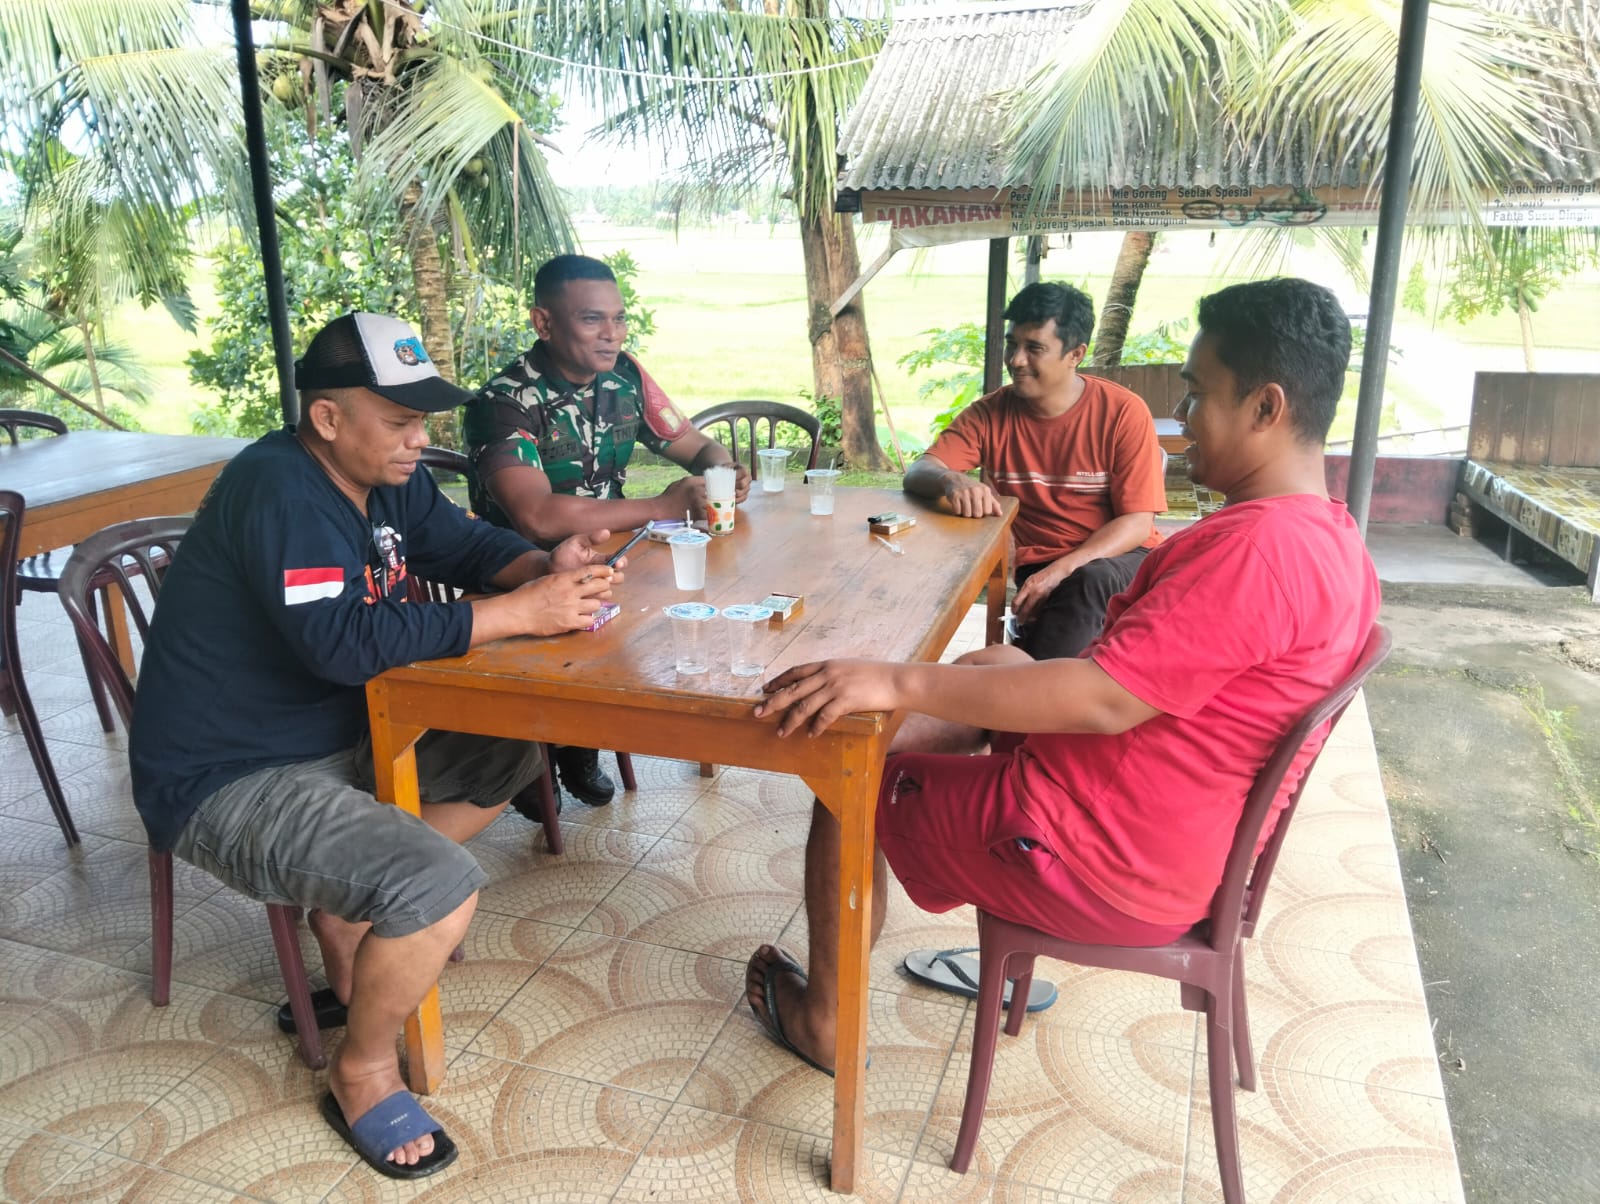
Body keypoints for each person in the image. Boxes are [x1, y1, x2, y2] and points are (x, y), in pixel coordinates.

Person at [742, 277, 1381, 1075]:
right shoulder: (1330, 537)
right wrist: (912, 688)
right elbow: (1120, 690)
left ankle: (824, 1021)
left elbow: (1104, 700)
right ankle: (907, 764)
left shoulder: (1256, 554)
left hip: (1106, 858)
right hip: (1169, 820)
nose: (1183, 418)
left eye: (1198, 392)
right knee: (996, 662)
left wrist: (896, 682)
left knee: (849, 770)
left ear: (1266, 407)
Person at [129, 312, 623, 1179]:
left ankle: (349, 909)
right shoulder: (282, 490)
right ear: (327, 418)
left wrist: (538, 569)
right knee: (434, 886)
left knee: (510, 753)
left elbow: (462, 544)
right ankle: (361, 1070)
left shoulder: (384, 475)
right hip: (230, 774)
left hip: (340, 732)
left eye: (421, 420)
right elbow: (340, 643)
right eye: (399, 421)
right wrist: (513, 615)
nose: (417, 440)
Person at [462, 253, 750, 807]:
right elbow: (537, 516)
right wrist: (661, 505)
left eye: (619, 319)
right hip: (519, 574)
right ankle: (531, 756)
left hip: (608, 562)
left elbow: (692, 444)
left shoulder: (626, 377)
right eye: (592, 319)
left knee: (684, 607)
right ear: (544, 323)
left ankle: (580, 740)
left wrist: (722, 469)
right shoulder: (503, 402)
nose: (611, 334)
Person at [903, 282, 1167, 660]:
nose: (1015, 360)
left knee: (1090, 580)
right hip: (1041, 565)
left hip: (1123, 556)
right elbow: (918, 471)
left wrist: (1062, 569)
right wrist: (950, 478)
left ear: (1075, 354)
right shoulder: (990, 414)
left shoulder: (1122, 412)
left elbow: (1137, 523)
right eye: (1012, 344)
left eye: (1034, 348)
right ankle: (1033, 683)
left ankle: (1029, 687)